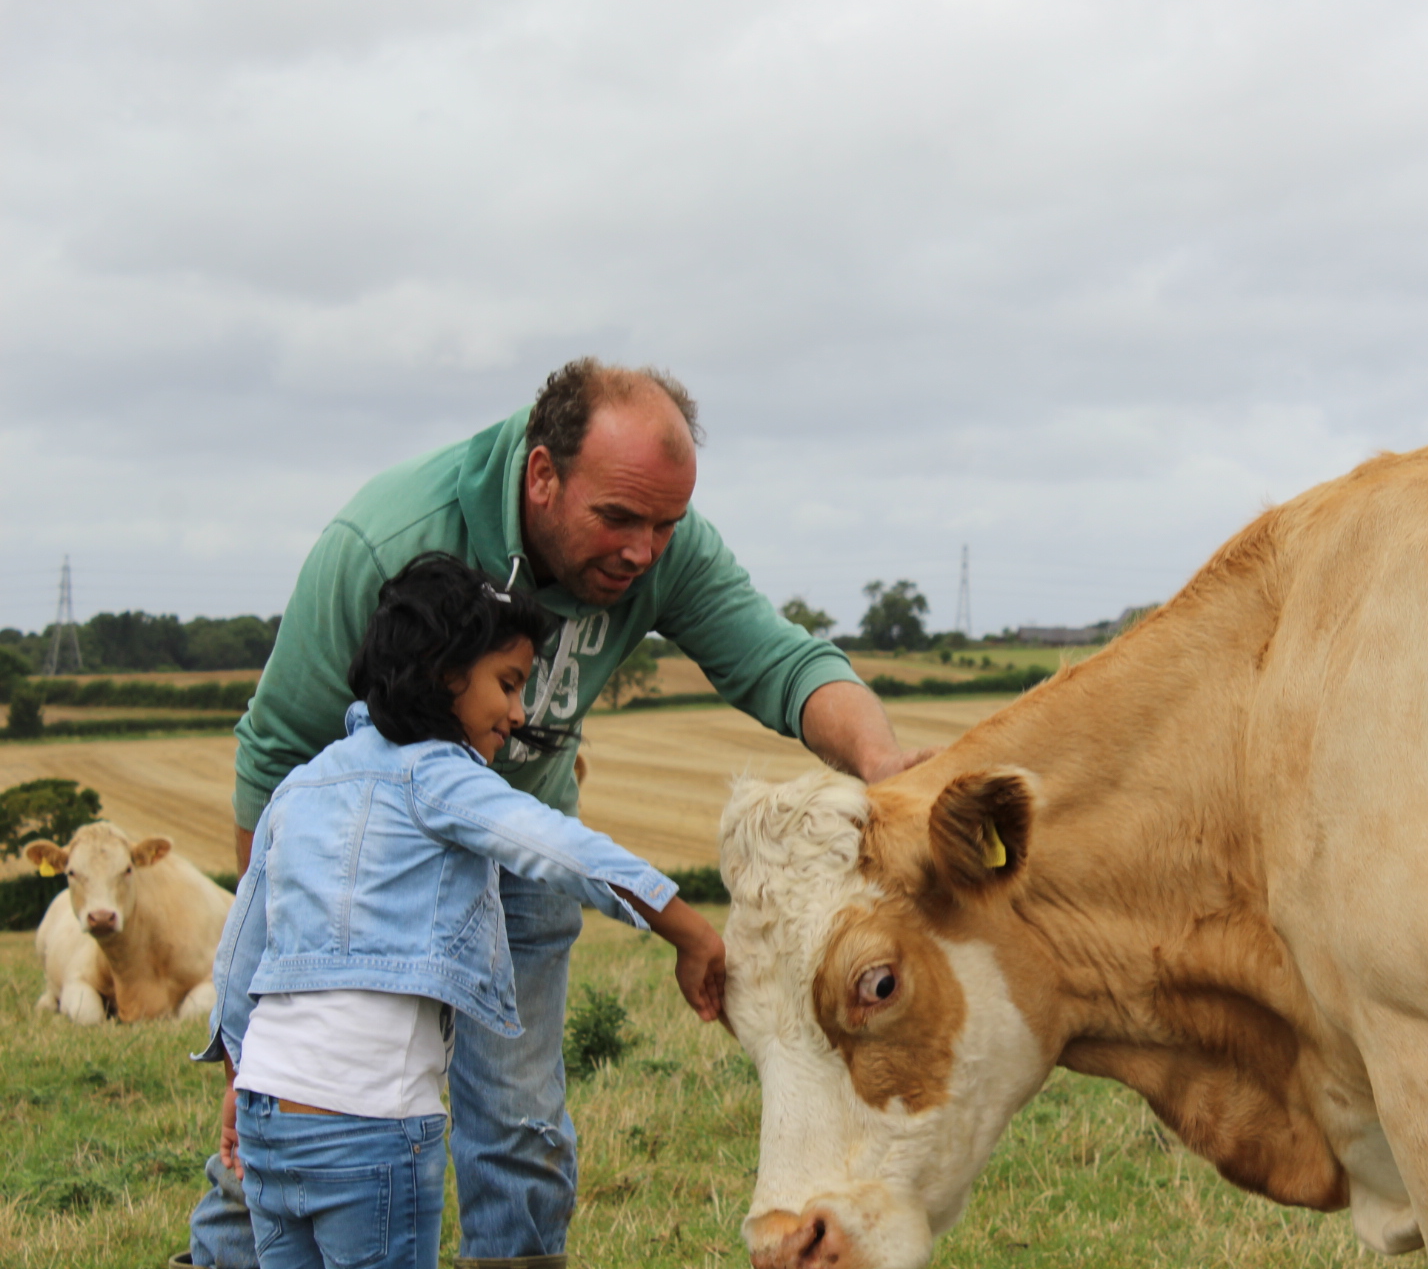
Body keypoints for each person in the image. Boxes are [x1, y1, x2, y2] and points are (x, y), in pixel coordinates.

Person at [184, 359, 933, 1269]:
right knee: (294, 1090)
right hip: (356, 877)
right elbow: (274, 758)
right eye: (618, 518)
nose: (642, 551)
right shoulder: (387, 541)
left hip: (519, 853)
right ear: (543, 476)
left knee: (519, 1124)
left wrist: (880, 759)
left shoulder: (662, 545)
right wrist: (255, 1008)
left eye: (666, 524)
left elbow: (776, 660)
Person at [197, 554, 726, 1269]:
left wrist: (236, 1081)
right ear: (447, 675)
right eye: (507, 684)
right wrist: (689, 931)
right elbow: (567, 851)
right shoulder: (437, 775)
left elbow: (240, 954)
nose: (518, 712)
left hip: (270, 1115)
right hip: (369, 1120)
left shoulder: (299, 786)